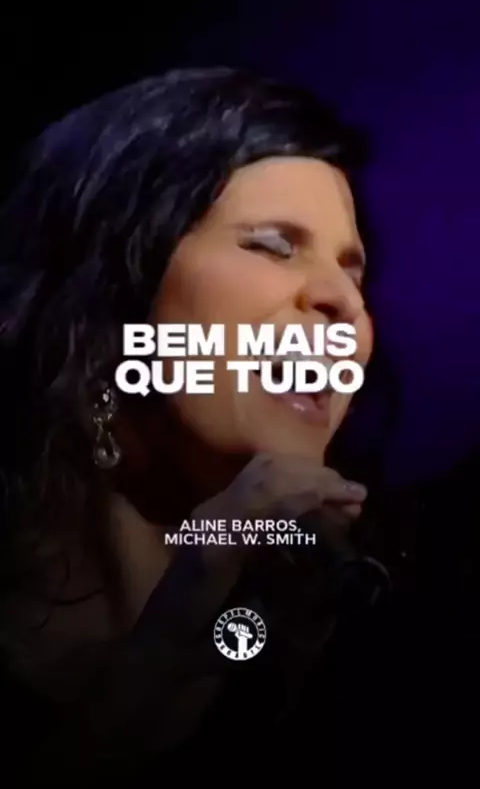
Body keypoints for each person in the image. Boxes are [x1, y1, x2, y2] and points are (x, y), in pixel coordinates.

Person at [0, 67, 387, 778]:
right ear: (115, 292)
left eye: (353, 271)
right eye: (272, 245)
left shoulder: (372, 631)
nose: (345, 302)